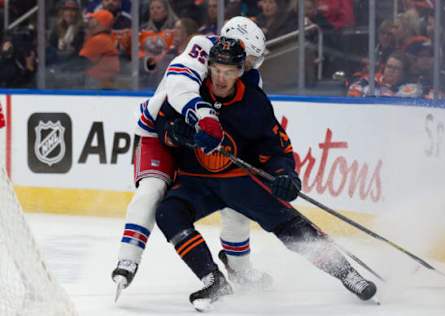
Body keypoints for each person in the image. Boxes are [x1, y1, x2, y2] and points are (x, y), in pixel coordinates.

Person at [154, 37, 377, 311]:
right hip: (196, 180)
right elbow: (161, 121)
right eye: (216, 71)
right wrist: (173, 132)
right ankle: (213, 279)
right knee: (168, 212)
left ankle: (347, 274)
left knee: (288, 224)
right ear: (208, 66)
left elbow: (275, 149)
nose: (221, 79)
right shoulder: (190, 90)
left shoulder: (253, 102)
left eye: (229, 72)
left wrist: (285, 175)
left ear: (240, 72)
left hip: (239, 179)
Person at [112, 17, 270, 297]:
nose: (252, 65)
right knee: (151, 191)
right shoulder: (201, 46)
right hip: (159, 134)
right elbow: (178, 84)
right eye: (251, 57)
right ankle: (128, 259)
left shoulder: (251, 77)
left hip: (201, 145)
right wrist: (203, 114)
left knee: (236, 201)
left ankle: (239, 267)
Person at [79, 9, 120, 89]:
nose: (90, 22)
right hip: (104, 80)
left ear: (99, 23)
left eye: (93, 19)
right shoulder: (106, 38)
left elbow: (81, 62)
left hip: (97, 82)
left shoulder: (99, 40)